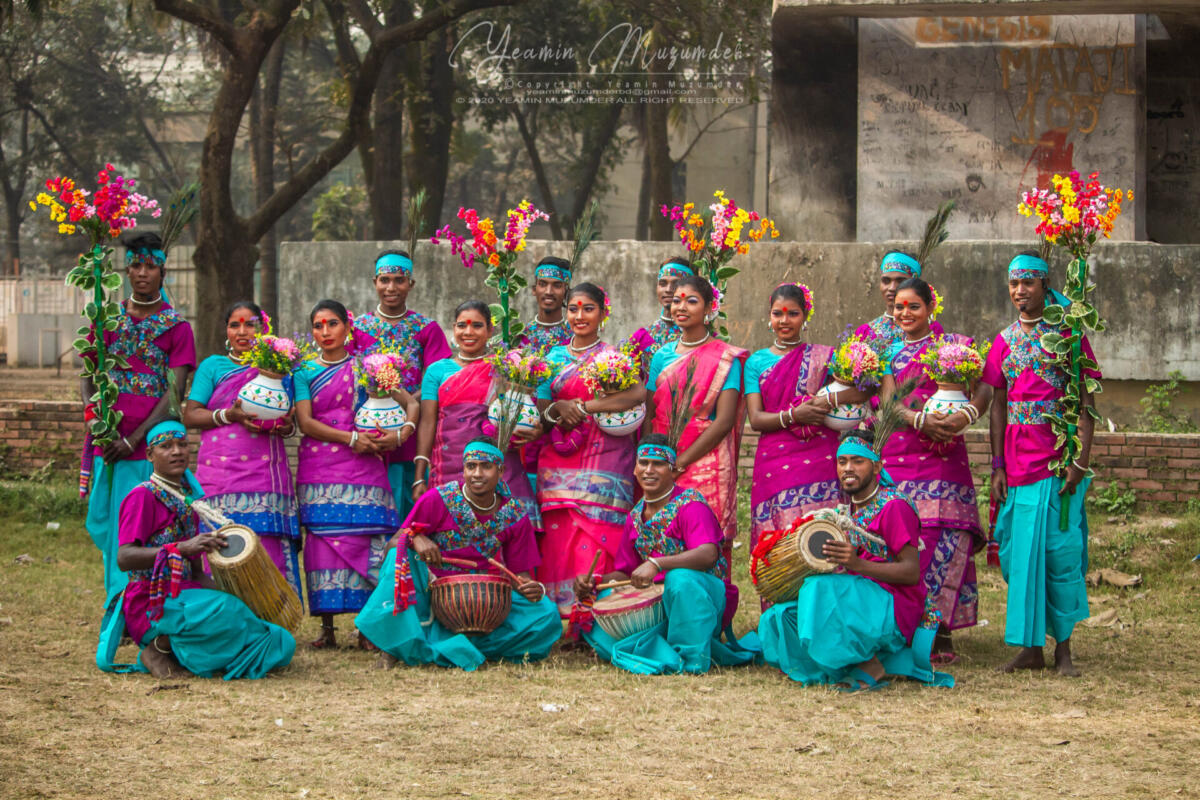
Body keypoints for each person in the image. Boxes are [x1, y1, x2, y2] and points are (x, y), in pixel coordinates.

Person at [757, 429, 952, 690]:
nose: (848, 468)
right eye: (842, 461)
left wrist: (857, 564)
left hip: (894, 607)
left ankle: (871, 663)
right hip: (858, 600)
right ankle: (840, 664)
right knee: (782, 615)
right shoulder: (847, 510)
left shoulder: (894, 506)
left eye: (858, 461)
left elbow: (911, 572)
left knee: (817, 590)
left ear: (877, 466)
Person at [105, 419, 295, 679]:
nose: (177, 452)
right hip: (152, 600)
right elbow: (124, 557)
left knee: (278, 639)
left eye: (182, 445)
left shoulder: (188, 501)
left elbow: (196, 574)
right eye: (166, 446)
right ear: (149, 455)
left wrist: (244, 598)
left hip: (187, 596)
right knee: (224, 610)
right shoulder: (142, 496)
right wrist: (180, 548)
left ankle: (184, 652)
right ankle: (158, 648)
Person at [983, 252, 1098, 677]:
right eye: (1014, 283)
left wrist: (1079, 461)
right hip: (1016, 466)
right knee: (1016, 554)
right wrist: (997, 465)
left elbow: (1086, 403)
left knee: (1058, 554)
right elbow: (997, 405)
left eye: (1028, 283)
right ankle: (1030, 648)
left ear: (1045, 284)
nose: (1020, 291)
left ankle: (1063, 649)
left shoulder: (1069, 335)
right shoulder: (1003, 341)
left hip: (1056, 461)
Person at [355, 437, 562, 671]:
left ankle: (447, 645)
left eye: (486, 466)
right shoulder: (438, 498)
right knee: (398, 556)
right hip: (431, 594)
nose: (477, 474)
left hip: (483, 601)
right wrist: (415, 538)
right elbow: (393, 544)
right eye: (471, 466)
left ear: (501, 471)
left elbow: (521, 575)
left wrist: (531, 588)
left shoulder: (514, 513)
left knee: (545, 615)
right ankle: (401, 644)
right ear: (463, 470)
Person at [83, 231, 196, 627]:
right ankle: (118, 607)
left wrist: (133, 440)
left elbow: (174, 391)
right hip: (109, 444)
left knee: (146, 529)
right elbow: (88, 376)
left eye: (150, 265)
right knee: (113, 527)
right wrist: (97, 423)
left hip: (148, 448)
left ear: (163, 270)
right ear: (126, 270)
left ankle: (143, 611)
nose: (142, 272)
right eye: (135, 265)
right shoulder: (106, 319)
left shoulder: (177, 327)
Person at [573, 435, 760, 674]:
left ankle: (690, 659)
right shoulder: (635, 516)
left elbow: (709, 554)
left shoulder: (691, 505)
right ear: (635, 468)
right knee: (603, 595)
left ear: (674, 470)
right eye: (643, 463)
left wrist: (657, 563)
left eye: (658, 464)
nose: (649, 470)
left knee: (680, 579)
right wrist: (595, 581)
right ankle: (656, 652)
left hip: (700, 599)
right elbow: (627, 573)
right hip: (661, 602)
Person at [878, 277, 989, 663]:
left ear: (930, 308)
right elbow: (889, 402)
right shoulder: (889, 353)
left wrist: (966, 415)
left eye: (914, 306)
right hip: (901, 453)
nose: (905, 313)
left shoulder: (954, 346)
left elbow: (985, 388)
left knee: (946, 537)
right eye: (899, 307)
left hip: (945, 458)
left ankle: (940, 630)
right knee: (906, 537)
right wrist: (919, 420)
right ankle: (906, 627)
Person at [295, 300, 413, 648]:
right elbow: (305, 423)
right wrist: (350, 439)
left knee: (368, 540)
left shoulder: (368, 366)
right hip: (319, 465)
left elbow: (411, 403)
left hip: (365, 464)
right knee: (322, 544)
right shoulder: (303, 371)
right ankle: (327, 629)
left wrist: (402, 433)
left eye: (332, 323)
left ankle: (367, 628)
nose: (325, 331)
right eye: (318, 325)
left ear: (348, 327)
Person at [535, 282, 645, 615]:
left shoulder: (613, 357)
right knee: (559, 536)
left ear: (603, 313)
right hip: (559, 460)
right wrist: (558, 409)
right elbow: (542, 410)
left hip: (606, 460)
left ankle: (597, 614)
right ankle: (562, 616)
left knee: (598, 536)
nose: (579, 316)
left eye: (588, 309)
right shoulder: (552, 359)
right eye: (573, 309)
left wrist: (584, 407)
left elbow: (637, 394)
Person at [643, 274, 747, 622]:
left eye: (691, 301)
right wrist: (655, 460)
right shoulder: (661, 357)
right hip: (663, 457)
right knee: (664, 534)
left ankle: (712, 619)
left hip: (707, 462)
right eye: (676, 300)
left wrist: (682, 461)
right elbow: (650, 413)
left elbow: (724, 420)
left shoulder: (726, 358)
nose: (681, 307)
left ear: (709, 307)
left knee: (706, 538)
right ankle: (665, 616)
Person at [182, 301, 302, 596]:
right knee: (220, 543)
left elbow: (290, 420)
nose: (242, 331)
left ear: (263, 329)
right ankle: (220, 611)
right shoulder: (213, 366)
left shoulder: (278, 368)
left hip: (266, 475)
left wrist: (285, 426)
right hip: (220, 474)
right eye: (234, 325)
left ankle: (273, 611)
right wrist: (229, 415)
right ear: (226, 331)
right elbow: (191, 414)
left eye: (250, 324)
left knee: (267, 544)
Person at [746, 283, 866, 566]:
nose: (784, 321)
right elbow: (756, 418)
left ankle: (827, 591)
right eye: (778, 313)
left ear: (805, 316)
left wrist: (828, 400)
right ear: (769, 316)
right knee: (782, 541)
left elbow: (863, 391)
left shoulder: (826, 357)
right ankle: (782, 592)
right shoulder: (755, 362)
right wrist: (794, 416)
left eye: (793, 313)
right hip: (775, 461)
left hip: (820, 456)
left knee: (825, 535)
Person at [414, 300, 539, 519]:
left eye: (477, 326)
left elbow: (522, 412)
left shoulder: (505, 368)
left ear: (490, 330)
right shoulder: (437, 371)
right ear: (454, 328)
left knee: (503, 530)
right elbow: (427, 423)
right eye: (462, 325)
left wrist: (534, 430)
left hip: (497, 466)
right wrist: (418, 477)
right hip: (448, 468)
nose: (468, 332)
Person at [353, 250, 451, 520]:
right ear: (374, 282)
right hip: (366, 432)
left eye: (399, 280)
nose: (391, 287)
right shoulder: (357, 328)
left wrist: (405, 404)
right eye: (384, 280)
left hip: (410, 433)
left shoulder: (427, 329)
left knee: (408, 510)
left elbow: (437, 379)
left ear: (411, 284)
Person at [855, 251, 944, 351]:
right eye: (886, 281)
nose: (892, 288)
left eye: (901, 281)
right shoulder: (865, 332)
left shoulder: (931, 329)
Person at [627, 257, 690, 374]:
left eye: (676, 284)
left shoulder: (700, 336)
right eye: (663, 283)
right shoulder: (642, 337)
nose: (668, 289)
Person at [515, 256, 573, 351]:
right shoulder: (521, 337)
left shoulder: (574, 337)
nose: (549, 292)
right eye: (542, 284)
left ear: (566, 292)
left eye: (557, 286)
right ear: (534, 290)